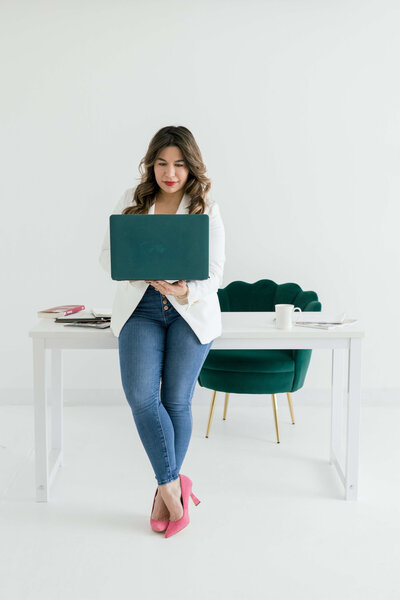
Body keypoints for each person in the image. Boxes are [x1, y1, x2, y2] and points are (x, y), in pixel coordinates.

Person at [99, 125, 226, 538]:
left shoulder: (206, 205)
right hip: (143, 308)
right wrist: (141, 274)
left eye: (178, 165)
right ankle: (174, 487)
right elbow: (108, 255)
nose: (170, 173)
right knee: (140, 395)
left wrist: (186, 289)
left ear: (191, 167)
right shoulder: (134, 200)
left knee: (176, 400)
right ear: (150, 164)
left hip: (189, 310)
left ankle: (162, 493)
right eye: (161, 164)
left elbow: (215, 271)